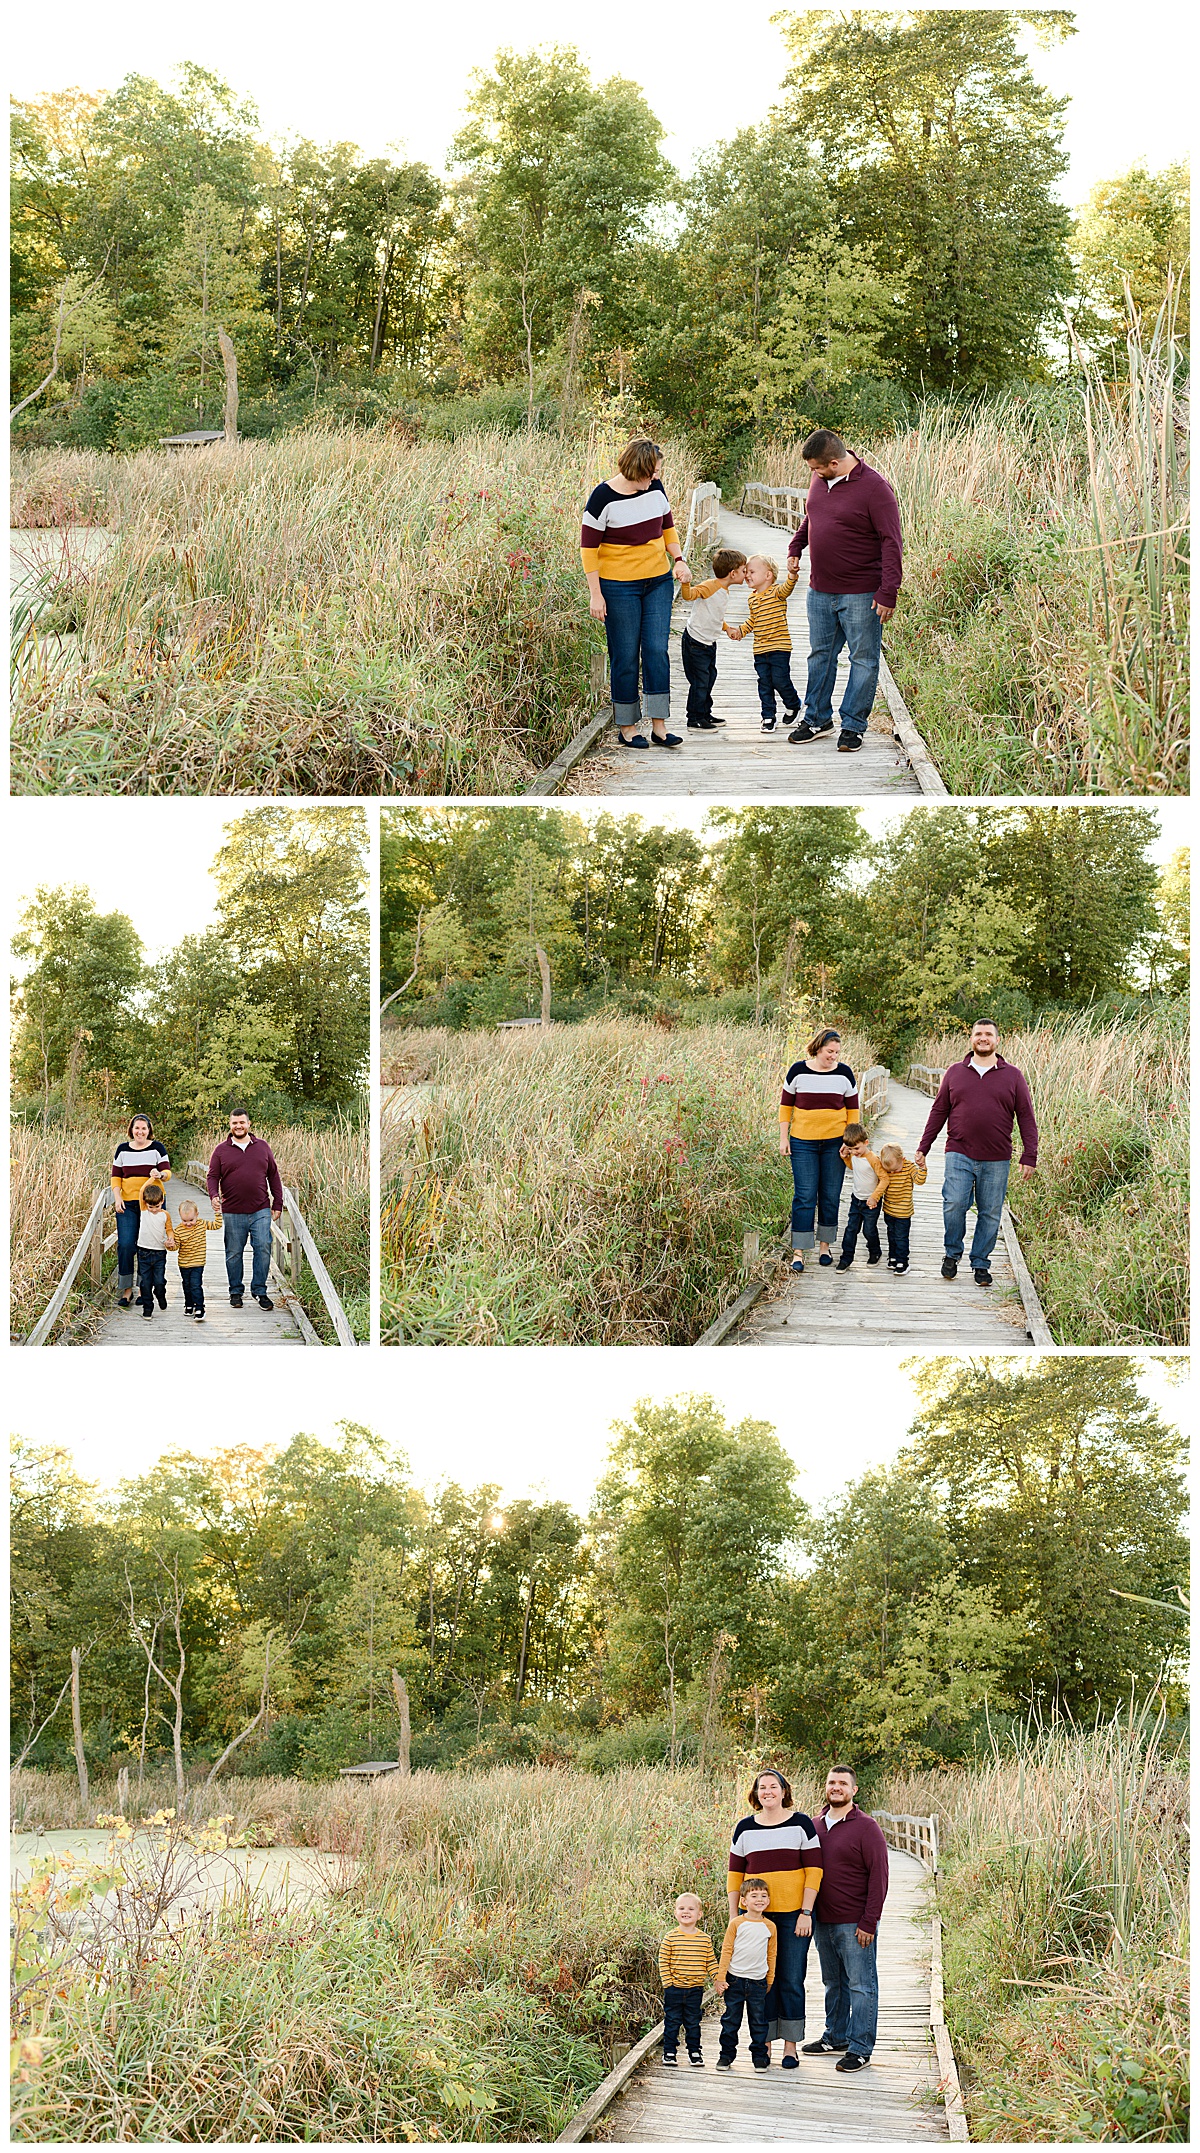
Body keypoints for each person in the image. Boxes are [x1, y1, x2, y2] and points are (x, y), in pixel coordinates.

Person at [785, 429, 903, 754]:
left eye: (817, 469)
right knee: (820, 657)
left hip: (861, 593)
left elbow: (892, 542)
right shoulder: (819, 480)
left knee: (863, 659)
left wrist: (888, 591)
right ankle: (817, 720)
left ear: (835, 463)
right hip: (820, 590)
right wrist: (796, 546)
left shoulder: (876, 489)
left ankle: (853, 726)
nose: (813, 474)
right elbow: (811, 516)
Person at [581, 438, 690, 749]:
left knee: (657, 650)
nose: (656, 478)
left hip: (657, 581)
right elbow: (588, 550)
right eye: (651, 473)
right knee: (625, 656)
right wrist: (596, 594)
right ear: (636, 470)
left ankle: (659, 725)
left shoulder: (655, 489)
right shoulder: (602, 498)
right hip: (618, 587)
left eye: (657, 473)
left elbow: (668, 527)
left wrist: (678, 560)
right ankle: (627, 726)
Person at [915, 1019, 1038, 1288]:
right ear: (971, 1038)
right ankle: (952, 1253)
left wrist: (1030, 1155)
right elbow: (939, 1111)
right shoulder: (955, 1072)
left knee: (990, 1211)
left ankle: (980, 1262)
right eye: (978, 1034)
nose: (983, 1038)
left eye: (988, 1034)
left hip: (996, 1156)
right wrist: (924, 1146)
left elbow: (1026, 1117)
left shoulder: (1013, 1075)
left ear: (997, 1040)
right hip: (959, 1151)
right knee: (954, 1203)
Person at [727, 1768, 822, 2065]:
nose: (767, 1791)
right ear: (756, 1794)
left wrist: (806, 1912)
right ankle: (763, 2043)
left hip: (795, 1916)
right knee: (760, 1981)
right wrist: (735, 1917)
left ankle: (790, 2047)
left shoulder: (801, 1824)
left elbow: (814, 1871)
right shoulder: (744, 1828)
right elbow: (734, 1877)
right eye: (762, 1787)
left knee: (791, 1980)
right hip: (754, 1919)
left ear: (784, 1791)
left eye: (773, 1786)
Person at [804, 1765, 889, 2074]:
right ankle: (835, 2037)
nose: (836, 1787)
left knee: (861, 1985)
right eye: (831, 1782)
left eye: (842, 1783)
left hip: (855, 1923)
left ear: (854, 1790)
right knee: (832, 1983)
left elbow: (879, 1877)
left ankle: (860, 2047)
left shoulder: (867, 1828)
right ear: (825, 1788)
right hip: (822, 1921)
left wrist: (870, 1921)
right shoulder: (814, 1826)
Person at [779, 1030, 861, 1273]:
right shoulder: (797, 1071)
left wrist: (849, 1141)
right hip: (803, 1142)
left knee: (830, 1194)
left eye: (837, 1052)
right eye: (829, 1052)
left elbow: (853, 1112)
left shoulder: (844, 1073)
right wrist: (784, 1137)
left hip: (835, 1144)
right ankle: (799, 1251)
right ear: (817, 1048)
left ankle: (825, 1247)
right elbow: (786, 1107)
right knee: (804, 1195)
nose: (833, 1057)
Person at [206, 1108, 284, 1311]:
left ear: (249, 1124)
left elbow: (273, 1175)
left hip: (260, 1209)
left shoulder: (262, 1147)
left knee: (263, 1247)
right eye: (234, 1123)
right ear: (230, 1125)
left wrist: (277, 1203)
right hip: (232, 1211)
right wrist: (214, 1195)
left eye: (242, 1122)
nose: (238, 1126)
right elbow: (212, 1176)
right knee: (233, 1253)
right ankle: (235, 1291)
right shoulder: (221, 1150)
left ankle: (260, 1291)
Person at [722, 554, 801, 731]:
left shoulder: (777, 592)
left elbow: (788, 587)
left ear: (768, 575)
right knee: (764, 683)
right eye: (746, 572)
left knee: (780, 680)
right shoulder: (752, 598)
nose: (747, 575)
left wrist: (792, 574)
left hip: (780, 647)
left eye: (751, 571)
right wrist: (740, 631)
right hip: (760, 649)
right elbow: (753, 620)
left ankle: (793, 703)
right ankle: (768, 716)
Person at [677, 549, 748, 728]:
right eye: (743, 571)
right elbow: (689, 596)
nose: (745, 574)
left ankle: (705, 714)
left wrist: (727, 628)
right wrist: (686, 583)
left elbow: (714, 614)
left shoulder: (724, 589)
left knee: (709, 678)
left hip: (708, 642)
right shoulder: (711, 586)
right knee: (700, 681)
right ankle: (694, 718)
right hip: (695, 642)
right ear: (733, 573)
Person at [110, 1115, 171, 1310]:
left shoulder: (157, 1148)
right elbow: (115, 1177)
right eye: (137, 1128)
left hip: (151, 1204)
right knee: (127, 1244)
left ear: (149, 1130)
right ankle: (127, 1290)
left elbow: (167, 1173)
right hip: (127, 1203)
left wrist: (159, 1174)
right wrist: (117, 1197)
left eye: (144, 1128)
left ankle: (145, 1289)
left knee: (149, 1245)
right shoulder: (122, 1149)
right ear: (131, 1129)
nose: (140, 1132)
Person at [715, 1878, 776, 2072]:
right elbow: (727, 1950)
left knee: (758, 2021)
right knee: (731, 2020)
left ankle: (759, 2057)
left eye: (764, 1896)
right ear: (744, 1901)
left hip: (758, 1982)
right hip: (735, 1980)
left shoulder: (770, 1927)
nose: (760, 1899)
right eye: (754, 1895)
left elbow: (771, 1954)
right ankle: (726, 2056)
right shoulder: (737, 1924)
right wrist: (720, 1977)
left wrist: (770, 1978)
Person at [658, 1891, 717, 2069]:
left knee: (693, 2022)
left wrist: (717, 1978)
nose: (686, 1911)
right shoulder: (671, 1937)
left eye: (691, 1909)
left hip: (695, 1989)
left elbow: (711, 1962)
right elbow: (663, 1961)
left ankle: (694, 2052)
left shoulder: (704, 1939)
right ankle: (669, 2052)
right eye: (681, 1908)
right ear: (675, 1913)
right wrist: (668, 1983)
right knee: (672, 2021)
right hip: (674, 1988)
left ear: (699, 1914)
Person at [835, 1125, 890, 1270]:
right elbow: (854, 1167)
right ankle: (846, 1258)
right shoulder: (853, 1155)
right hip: (856, 1199)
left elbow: (884, 1179)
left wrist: (874, 1197)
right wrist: (845, 1157)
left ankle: (875, 1252)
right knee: (851, 1229)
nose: (854, 1152)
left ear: (866, 1143)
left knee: (869, 1230)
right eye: (850, 1149)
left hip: (871, 1202)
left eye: (857, 1148)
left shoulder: (873, 1159)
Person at [877, 1143, 926, 1273]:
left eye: (895, 1170)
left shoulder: (909, 1167)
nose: (892, 1173)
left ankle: (902, 1261)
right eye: (890, 1171)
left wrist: (922, 1168)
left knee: (901, 1237)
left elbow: (919, 1180)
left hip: (903, 1212)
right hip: (888, 1210)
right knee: (891, 1235)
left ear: (902, 1160)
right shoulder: (886, 1168)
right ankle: (893, 1257)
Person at [173, 1198, 224, 1322]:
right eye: (184, 1221)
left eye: (191, 1220)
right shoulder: (178, 1230)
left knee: (195, 1285)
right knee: (186, 1285)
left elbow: (217, 1225)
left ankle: (199, 1307)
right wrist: (169, 1244)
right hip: (184, 1263)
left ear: (197, 1215)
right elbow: (175, 1247)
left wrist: (218, 1213)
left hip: (198, 1262)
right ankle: (189, 1304)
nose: (188, 1223)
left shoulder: (201, 1224)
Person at [135, 1181, 176, 1318]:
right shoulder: (144, 1211)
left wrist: (170, 1238)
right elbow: (141, 1190)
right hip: (143, 1252)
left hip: (159, 1253)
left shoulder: (165, 1215)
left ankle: (160, 1294)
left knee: (159, 1281)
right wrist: (151, 1179)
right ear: (146, 1204)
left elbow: (169, 1229)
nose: (153, 1209)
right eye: (150, 1206)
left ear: (162, 1201)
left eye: (157, 1206)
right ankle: (148, 1307)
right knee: (145, 1283)